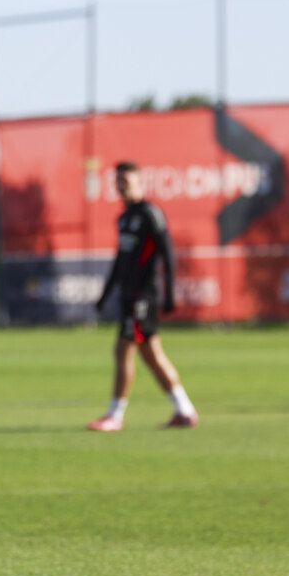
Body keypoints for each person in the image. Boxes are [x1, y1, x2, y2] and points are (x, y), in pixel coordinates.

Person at [88, 161, 198, 431]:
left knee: (123, 350)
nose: (121, 187)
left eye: (126, 181)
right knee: (151, 355)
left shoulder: (150, 214)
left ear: (138, 183)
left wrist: (169, 293)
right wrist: (105, 294)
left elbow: (167, 253)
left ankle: (115, 415)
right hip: (129, 295)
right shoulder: (124, 218)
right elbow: (121, 260)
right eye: (118, 182)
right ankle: (184, 410)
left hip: (143, 297)